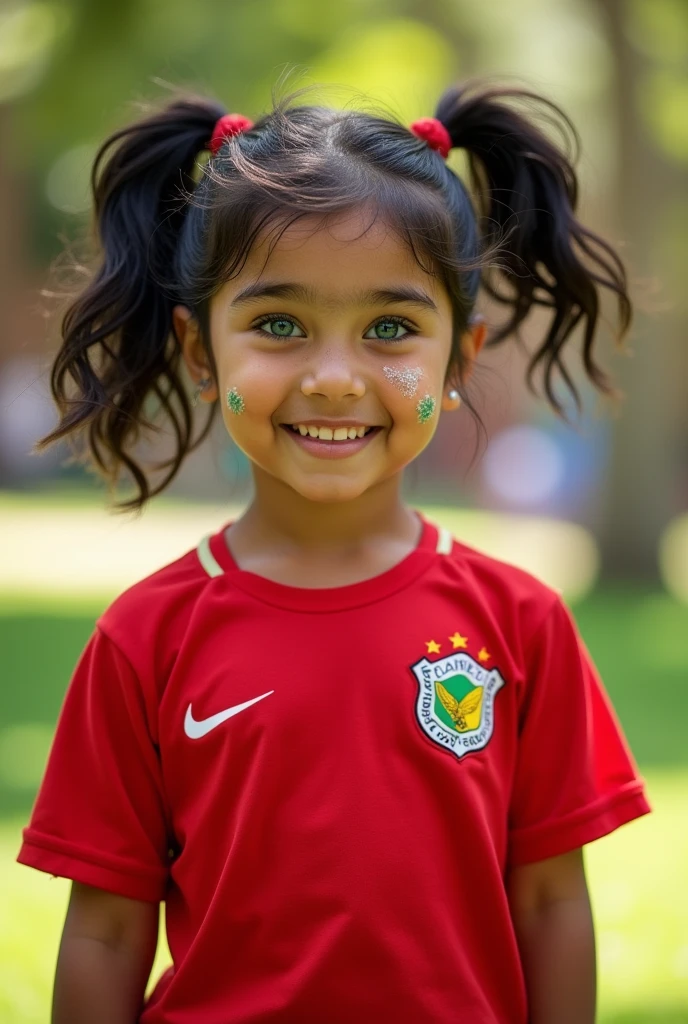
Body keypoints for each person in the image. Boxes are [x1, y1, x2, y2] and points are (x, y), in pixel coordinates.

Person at [17, 79, 651, 1024]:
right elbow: (106, 932)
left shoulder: (521, 623)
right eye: (278, 325)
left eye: (391, 329)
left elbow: (553, 903)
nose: (332, 377)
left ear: (459, 358)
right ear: (201, 352)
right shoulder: (144, 637)